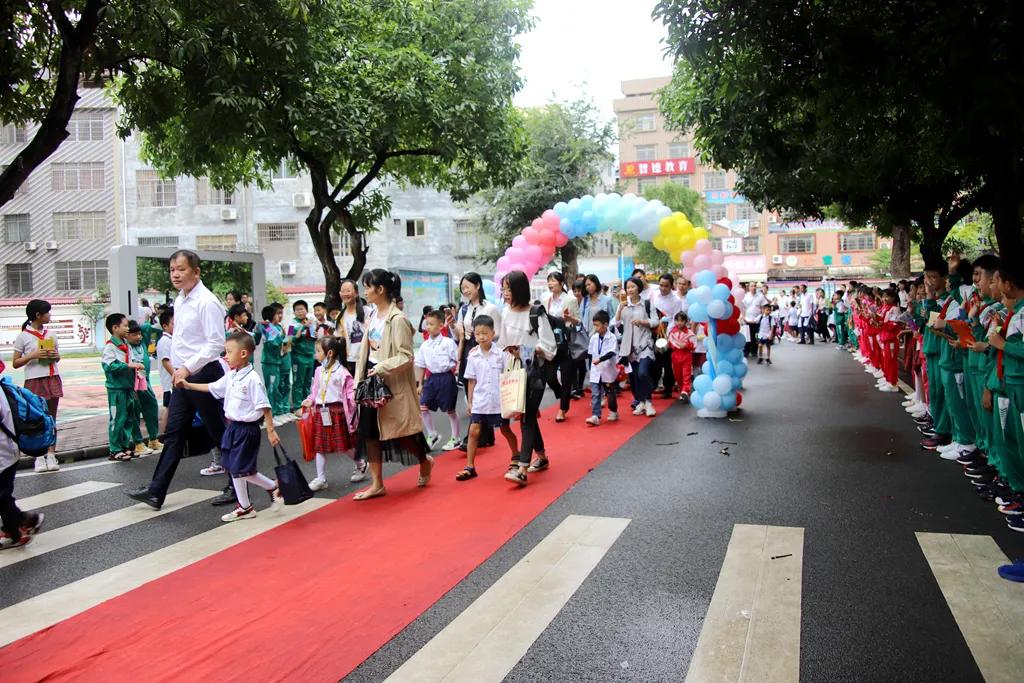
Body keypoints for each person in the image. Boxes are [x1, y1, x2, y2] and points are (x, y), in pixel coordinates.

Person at [127, 250, 237, 510]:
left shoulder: (207, 302)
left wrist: (187, 368)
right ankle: (156, 491)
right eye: (172, 270)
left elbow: (215, 343)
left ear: (196, 272)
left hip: (202, 374)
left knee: (219, 432)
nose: (175, 274)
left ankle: (238, 484)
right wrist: (179, 370)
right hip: (182, 377)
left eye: (181, 269)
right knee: (174, 433)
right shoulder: (180, 299)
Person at [180, 332, 284, 522]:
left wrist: (270, 430)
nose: (225, 356)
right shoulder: (232, 376)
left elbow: (265, 407)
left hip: (247, 429)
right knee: (232, 467)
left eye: (229, 352)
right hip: (233, 428)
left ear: (243, 354)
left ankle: (272, 487)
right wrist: (187, 385)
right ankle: (245, 506)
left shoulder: (253, 379)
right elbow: (212, 387)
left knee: (242, 469)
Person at [352, 269, 434, 500]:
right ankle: (377, 484)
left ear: (380, 290)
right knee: (370, 432)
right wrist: (359, 379)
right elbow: (365, 351)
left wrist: (381, 367)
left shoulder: (398, 319)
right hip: (371, 382)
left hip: (390, 382)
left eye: (368, 287)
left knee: (402, 432)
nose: (365, 292)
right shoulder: (372, 316)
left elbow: (406, 356)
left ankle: (424, 460)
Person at [498, 271, 557, 486]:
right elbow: (503, 342)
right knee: (526, 415)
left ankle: (522, 468)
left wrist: (526, 350)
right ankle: (541, 457)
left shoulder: (536, 313)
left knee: (527, 416)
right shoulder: (506, 312)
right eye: (503, 288)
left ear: (519, 290)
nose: (505, 293)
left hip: (535, 372)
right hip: (514, 370)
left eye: (508, 288)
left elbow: (549, 345)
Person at [457, 315, 519, 481]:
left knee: (505, 430)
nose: (481, 337)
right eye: (477, 334)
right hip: (480, 400)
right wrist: (470, 402)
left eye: (485, 333)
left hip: (498, 401)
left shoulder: (501, 354)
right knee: (473, 432)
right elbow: (471, 380)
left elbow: (510, 375)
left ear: (493, 333)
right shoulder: (473, 356)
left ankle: (516, 456)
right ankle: (470, 466)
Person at [301, 335, 361, 491]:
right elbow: (315, 391)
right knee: (319, 446)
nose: (315, 354)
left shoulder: (342, 373)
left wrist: (354, 408)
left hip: (338, 412)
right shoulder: (319, 371)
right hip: (322, 412)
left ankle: (361, 464)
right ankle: (321, 478)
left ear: (329, 353)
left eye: (318, 351)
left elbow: (350, 394)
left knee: (345, 446)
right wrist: (310, 400)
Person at [13, 299, 62, 472]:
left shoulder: (51, 334)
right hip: (34, 380)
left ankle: (51, 454)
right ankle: (39, 457)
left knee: (51, 418)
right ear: (37, 315)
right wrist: (32, 355)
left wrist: (55, 355)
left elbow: (58, 357)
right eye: (47, 312)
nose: (49, 315)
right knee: (36, 418)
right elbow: (15, 363)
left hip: (52, 377)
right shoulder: (23, 336)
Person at [454, 272, 502, 449]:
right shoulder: (463, 309)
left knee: (482, 390)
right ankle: (486, 435)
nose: (465, 291)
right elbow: (459, 334)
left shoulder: (490, 308)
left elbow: (498, 333)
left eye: (467, 287)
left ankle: (474, 436)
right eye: (462, 288)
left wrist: (483, 342)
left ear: (478, 286)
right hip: (469, 350)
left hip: (485, 351)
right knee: (471, 390)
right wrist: (453, 326)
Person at [0, 384, 45, 549]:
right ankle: (12, 532)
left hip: (3, 454)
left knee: (2, 497)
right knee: (3, 496)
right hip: (7, 452)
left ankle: (27, 520)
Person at [415, 309, 461, 452]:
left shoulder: (448, 342)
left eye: (431, 324)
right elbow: (421, 365)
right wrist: (420, 384)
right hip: (431, 379)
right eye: (427, 324)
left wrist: (457, 370)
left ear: (441, 326)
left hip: (446, 377)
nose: (428, 327)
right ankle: (432, 434)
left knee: (450, 410)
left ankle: (456, 438)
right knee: (423, 406)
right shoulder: (424, 345)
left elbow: (457, 358)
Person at [616, 276, 658, 417]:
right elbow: (616, 324)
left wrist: (642, 321)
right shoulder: (623, 304)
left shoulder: (646, 303)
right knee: (634, 378)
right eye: (628, 287)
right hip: (629, 348)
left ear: (639, 288)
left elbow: (655, 321)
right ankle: (641, 402)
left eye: (633, 286)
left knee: (643, 373)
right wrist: (620, 310)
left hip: (645, 344)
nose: (630, 290)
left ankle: (648, 402)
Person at [103, 313, 142, 462]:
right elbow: (108, 366)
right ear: (115, 328)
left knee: (128, 419)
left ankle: (124, 446)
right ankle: (115, 449)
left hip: (128, 388)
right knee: (117, 419)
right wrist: (128, 366)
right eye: (125, 326)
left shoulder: (126, 345)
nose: (128, 328)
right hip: (117, 390)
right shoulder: (110, 347)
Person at [541, 271, 579, 422]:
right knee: (550, 377)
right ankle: (563, 395)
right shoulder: (546, 300)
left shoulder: (570, 300)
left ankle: (563, 408)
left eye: (553, 281)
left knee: (566, 377)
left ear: (561, 283)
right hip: (550, 343)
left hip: (566, 343)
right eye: (549, 281)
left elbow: (578, 322)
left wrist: (569, 319)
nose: (550, 284)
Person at [126, 321, 163, 456]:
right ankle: (138, 443)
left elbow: (150, 328)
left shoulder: (143, 342)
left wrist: (136, 327)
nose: (138, 337)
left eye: (139, 334)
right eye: (134, 334)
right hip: (132, 384)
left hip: (145, 382)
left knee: (152, 408)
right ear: (126, 335)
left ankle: (153, 439)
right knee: (134, 412)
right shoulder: (125, 346)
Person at [585, 310, 619, 426]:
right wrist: (591, 368)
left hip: (607, 369)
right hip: (595, 370)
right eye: (594, 325)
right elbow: (590, 354)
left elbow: (611, 352)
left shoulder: (612, 337)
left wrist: (600, 359)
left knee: (610, 393)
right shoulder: (593, 338)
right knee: (595, 394)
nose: (595, 328)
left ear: (605, 324)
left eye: (597, 325)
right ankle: (596, 415)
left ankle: (613, 410)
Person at [651, 273, 682, 398]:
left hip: (667, 333)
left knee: (667, 362)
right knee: (655, 361)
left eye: (666, 286)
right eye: (661, 285)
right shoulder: (654, 295)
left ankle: (668, 387)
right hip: (654, 331)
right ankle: (653, 385)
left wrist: (667, 334)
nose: (663, 288)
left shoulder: (676, 301)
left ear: (671, 286)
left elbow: (676, 319)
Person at [260, 305, 291, 425]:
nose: (280, 316)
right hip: (270, 362)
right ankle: (270, 416)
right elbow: (276, 342)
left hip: (278, 361)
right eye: (278, 313)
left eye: (281, 313)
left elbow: (286, 341)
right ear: (272, 315)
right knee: (272, 388)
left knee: (278, 387)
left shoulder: (278, 327)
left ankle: (279, 412)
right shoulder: (266, 327)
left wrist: (286, 334)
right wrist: (282, 335)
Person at [288, 300, 317, 413]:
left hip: (310, 356)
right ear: (294, 312)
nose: (300, 312)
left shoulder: (310, 322)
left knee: (308, 383)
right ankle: (297, 406)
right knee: (298, 383)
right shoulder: (291, 325)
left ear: (307, 310)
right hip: (298, 357)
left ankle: (307, 404)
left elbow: (314, 337)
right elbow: (289, 339)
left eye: (302, 309)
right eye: (297, 310)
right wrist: (302, 328)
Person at [337, 279, 370, 376]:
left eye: (348, 291)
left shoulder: (367, 312)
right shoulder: (340, 316)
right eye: (343, 291)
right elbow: (338, 338)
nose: (345, 294)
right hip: (350, 361)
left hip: (367, 359)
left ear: (356, 293)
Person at [668, 311, 696, 402]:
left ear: (685, 322)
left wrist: (686, 345)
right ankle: (683, 392)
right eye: (677, 320)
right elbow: (670, 344)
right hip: (675, 356)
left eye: (681, 321)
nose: (679, 323)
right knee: (678, 376)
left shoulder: (689, 333)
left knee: (686, 375)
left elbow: (694, 345)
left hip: (686, 356)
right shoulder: (672, 332)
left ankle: (685, 391)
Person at [156, 308, 175, 437]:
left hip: (173, 382)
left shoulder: (171, 339)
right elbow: (165, 361)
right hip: (170, 384)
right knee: (168, 409)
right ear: (165, 326)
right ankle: (163, 436)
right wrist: (177, 376)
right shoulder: (164, 341)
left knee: (170, 409)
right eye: (174, 324)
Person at [743, 283, 767, 357]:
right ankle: (746, 351)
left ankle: (754, 351)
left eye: (755, 286)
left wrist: (759, 318)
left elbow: (764, 307)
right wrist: (743, 318)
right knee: (747, 336)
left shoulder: (760, 296)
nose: (753, 287)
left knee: (755, 336)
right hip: (747, 320)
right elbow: (743, 308)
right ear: (749, 287)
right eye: (752, 286)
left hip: (757, 320)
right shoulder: (746, 296)